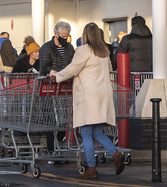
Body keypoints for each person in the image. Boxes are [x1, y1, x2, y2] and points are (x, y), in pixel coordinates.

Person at [51, 22, 125, 179]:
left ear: (85, 35)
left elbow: (73, 68)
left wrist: (56, 76)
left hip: (88, 96)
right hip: (102, 95)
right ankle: (115, 153)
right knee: (97, 131)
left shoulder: (83, 50)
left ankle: (92, 167)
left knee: (85, 132)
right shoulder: (104, 50)